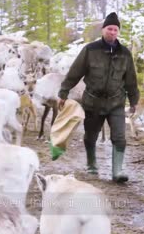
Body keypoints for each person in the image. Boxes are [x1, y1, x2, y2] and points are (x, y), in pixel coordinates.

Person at [58, 12, 139, 183]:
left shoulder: (125, 53)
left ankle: (117, 171)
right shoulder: (89, 50)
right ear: (103, 30)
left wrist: (133, 101)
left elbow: (131, 80)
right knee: (90, 135)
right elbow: (75, 72)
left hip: (116, 101)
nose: (112, 32)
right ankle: (92, 165)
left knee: (119, 137)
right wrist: (64, 92)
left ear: (118, 32)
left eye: (116, 30)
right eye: (109, 29)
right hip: (93, 102)